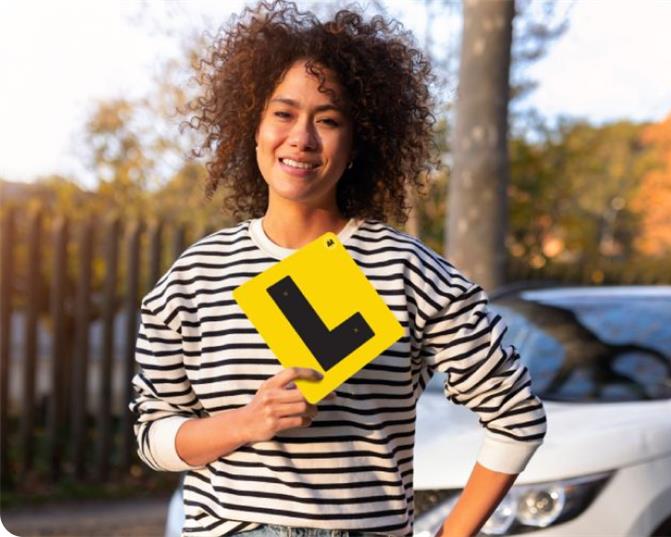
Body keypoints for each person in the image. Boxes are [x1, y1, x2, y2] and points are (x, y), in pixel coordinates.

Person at [129, 1, 547, 536]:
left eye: (327, 120)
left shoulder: (407, 271)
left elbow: (517, 419)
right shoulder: (194, 276)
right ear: (252, 126)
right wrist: (246, 423)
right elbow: (153, 437)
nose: (301, 138)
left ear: (358, 142)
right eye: (283, 113)